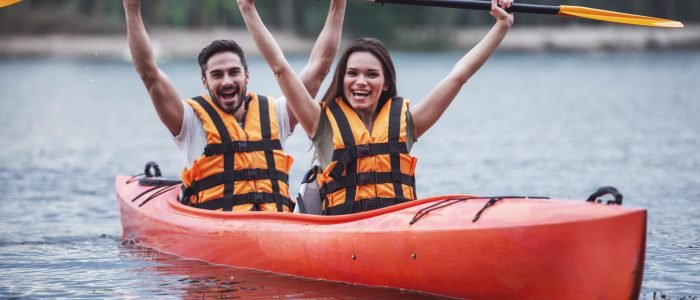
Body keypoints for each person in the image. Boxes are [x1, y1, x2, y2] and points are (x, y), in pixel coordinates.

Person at [238, 0, 513, 215]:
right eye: (353, 73)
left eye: (371, 75)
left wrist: (500, 27)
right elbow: (280, 68)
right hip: (345, 231)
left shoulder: (407, 122)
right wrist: (246, 8)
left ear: (385, 83)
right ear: (342, 79)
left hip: (395, 227)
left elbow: (459, 76)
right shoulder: (318, 122)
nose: (361, 82)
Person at [123, 0, 347, 212]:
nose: (227, 81)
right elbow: (149, 73)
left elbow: (319, 67)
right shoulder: (188, 121)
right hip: (217, 228)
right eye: (217, 75)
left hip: (276, 225)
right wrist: (131, 8)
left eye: (234, 72)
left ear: (246, 75)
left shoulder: (278, 114)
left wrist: (338, 4)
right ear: (205, 81)